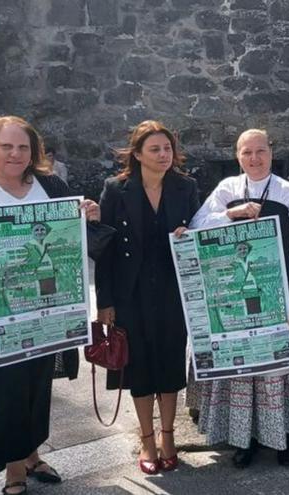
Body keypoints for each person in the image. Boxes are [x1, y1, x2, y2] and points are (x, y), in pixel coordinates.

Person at [0, 116, 99, 494]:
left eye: (23, 147)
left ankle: (31, 455)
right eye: (6, 146)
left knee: (36, 386)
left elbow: (75, 242)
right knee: (3, 390)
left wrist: (89, 219)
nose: (15, 154)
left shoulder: (51, 186)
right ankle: (14, 468)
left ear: (33, 152)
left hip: (44, 312)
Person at [191, 129, 289, 468]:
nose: (254, 158)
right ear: (238, 156)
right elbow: (198, 226)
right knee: (246, 371)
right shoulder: (227, 190)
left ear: (271, 153)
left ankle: (284, 437)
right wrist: (230, 214)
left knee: (282, 369)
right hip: (238, 294)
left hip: (280, 291)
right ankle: (246, 439)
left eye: (260, 151)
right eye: (247, 152)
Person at [94, 120, 200, 475]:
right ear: (137, 154)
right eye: (155, 149)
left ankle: (168, 436)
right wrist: (105, 301)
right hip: (131, 293)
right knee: (138, 367)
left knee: (169, 363)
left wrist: (190, 234)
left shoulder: (186, 186)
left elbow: (201, 230)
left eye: (167, 148)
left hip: (172, 290)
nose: (163, 155)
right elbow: (105, 249)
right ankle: (147, 439)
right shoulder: (116, 189)